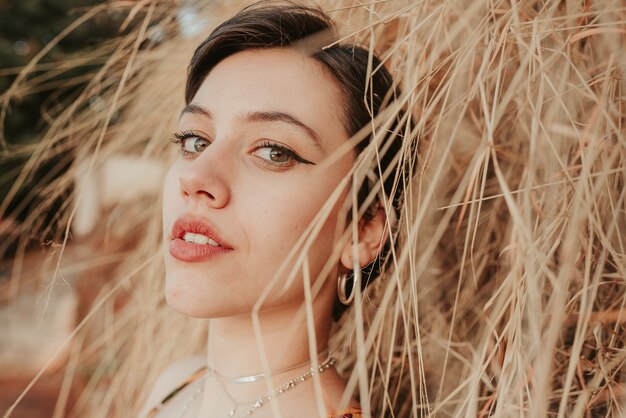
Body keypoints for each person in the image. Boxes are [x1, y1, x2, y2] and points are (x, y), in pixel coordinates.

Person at [139, 2, 411, 417]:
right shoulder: (176, 387)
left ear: (362, 230)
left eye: (273, 151)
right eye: (195, 140)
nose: (196, 178)